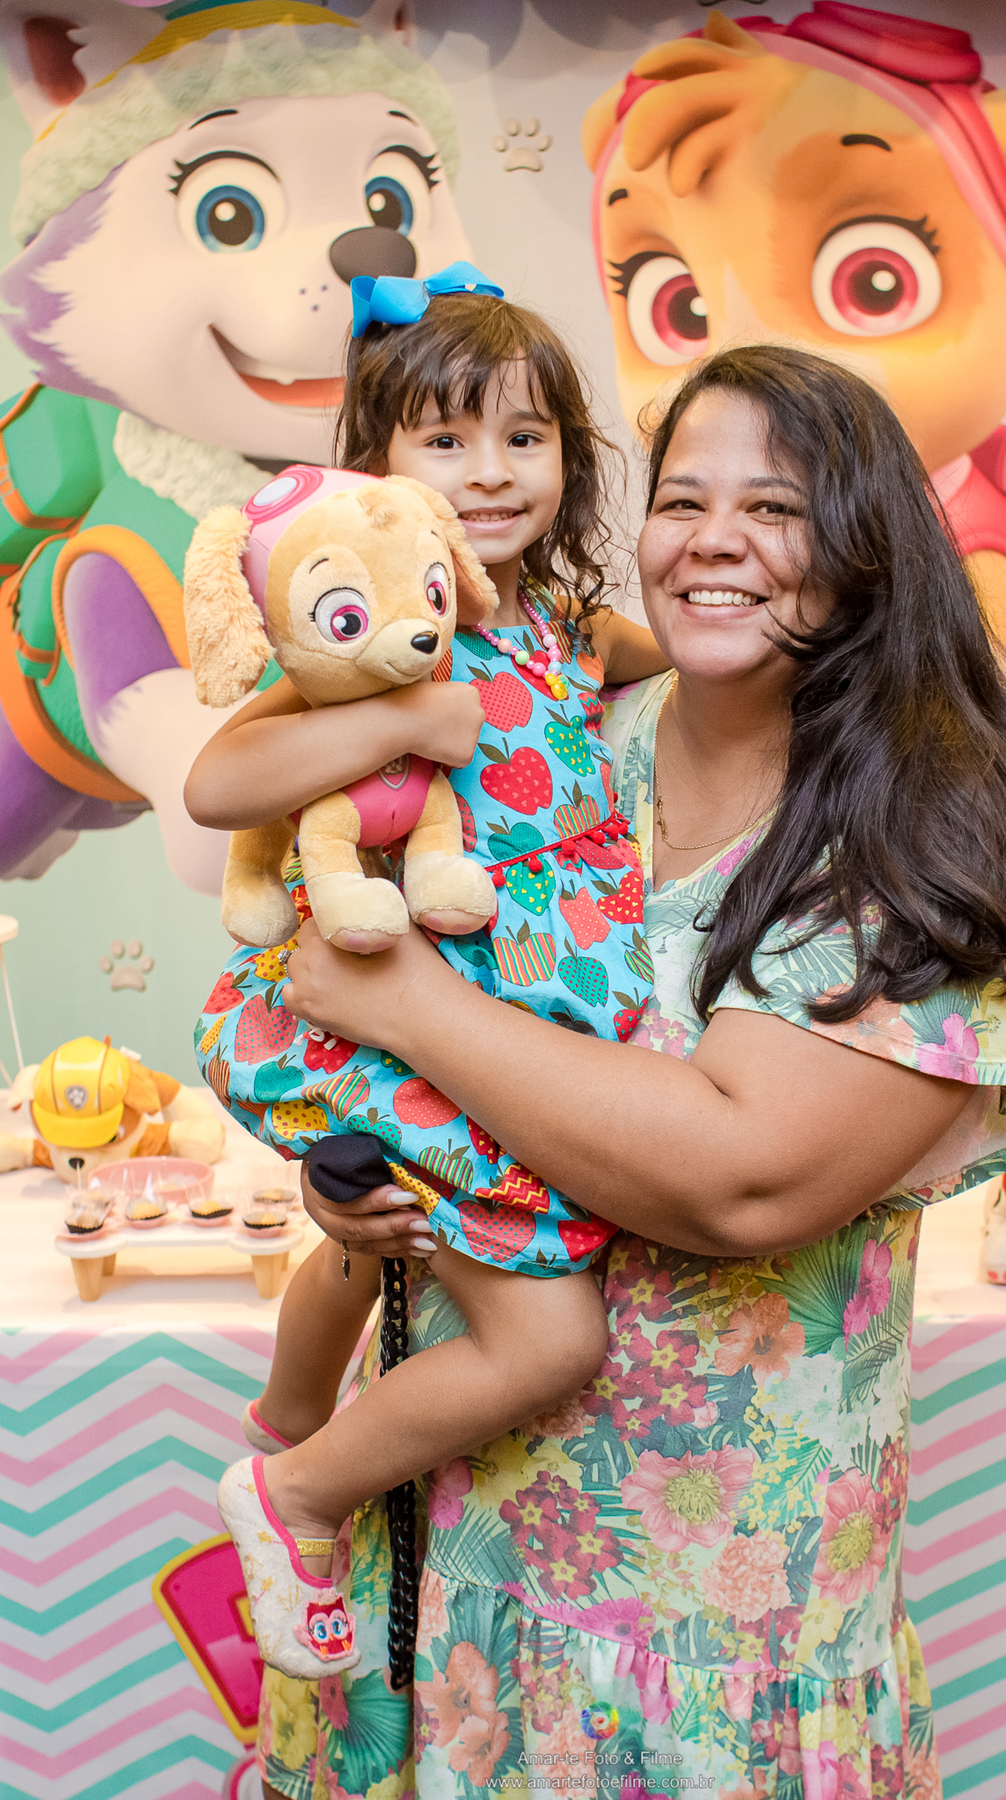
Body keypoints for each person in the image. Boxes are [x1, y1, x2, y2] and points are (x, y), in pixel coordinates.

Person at [253, 343, 1006, 1798]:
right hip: (441, 1571)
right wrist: (369, 1179)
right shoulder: (566, 744)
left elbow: (743, 1178)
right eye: (683, 499)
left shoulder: (919, 829)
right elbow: (375, 996)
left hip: (705, 1637)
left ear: (870, 547)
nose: (713, 539)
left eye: (775, 507)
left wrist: (411, 1012)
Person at [183, 274, 669, 1679]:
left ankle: (288, 1421)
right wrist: (405, 715)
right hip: (399, 1018)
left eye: (526, 437)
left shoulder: (574, 631)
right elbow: (222, 785)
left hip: (514, 1035)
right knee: (546, 1336)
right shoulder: (374, 633)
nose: (491, 472)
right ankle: (297, 1490)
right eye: (446, 441)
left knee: (366, 1242)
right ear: (378, 469)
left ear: (571, 455)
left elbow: (701, 683)